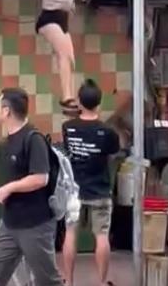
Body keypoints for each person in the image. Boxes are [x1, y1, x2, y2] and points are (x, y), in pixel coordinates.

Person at [0, 87, 63, 286]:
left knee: (47, 280)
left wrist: (9, 188)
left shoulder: (33, 139)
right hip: (9, 223)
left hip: (35, 224)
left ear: (7, 111)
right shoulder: (9, 140)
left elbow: (41, 178)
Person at [62, 79, 120, 286]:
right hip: (100, 191)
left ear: (79, 101)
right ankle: (102, 282)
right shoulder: (108, 132)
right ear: (99, 103)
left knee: (70, 234)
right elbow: (113, 152)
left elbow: (68, 151)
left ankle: (68, 281)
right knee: (101, 236)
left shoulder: (68, 128)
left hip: (74, 192)